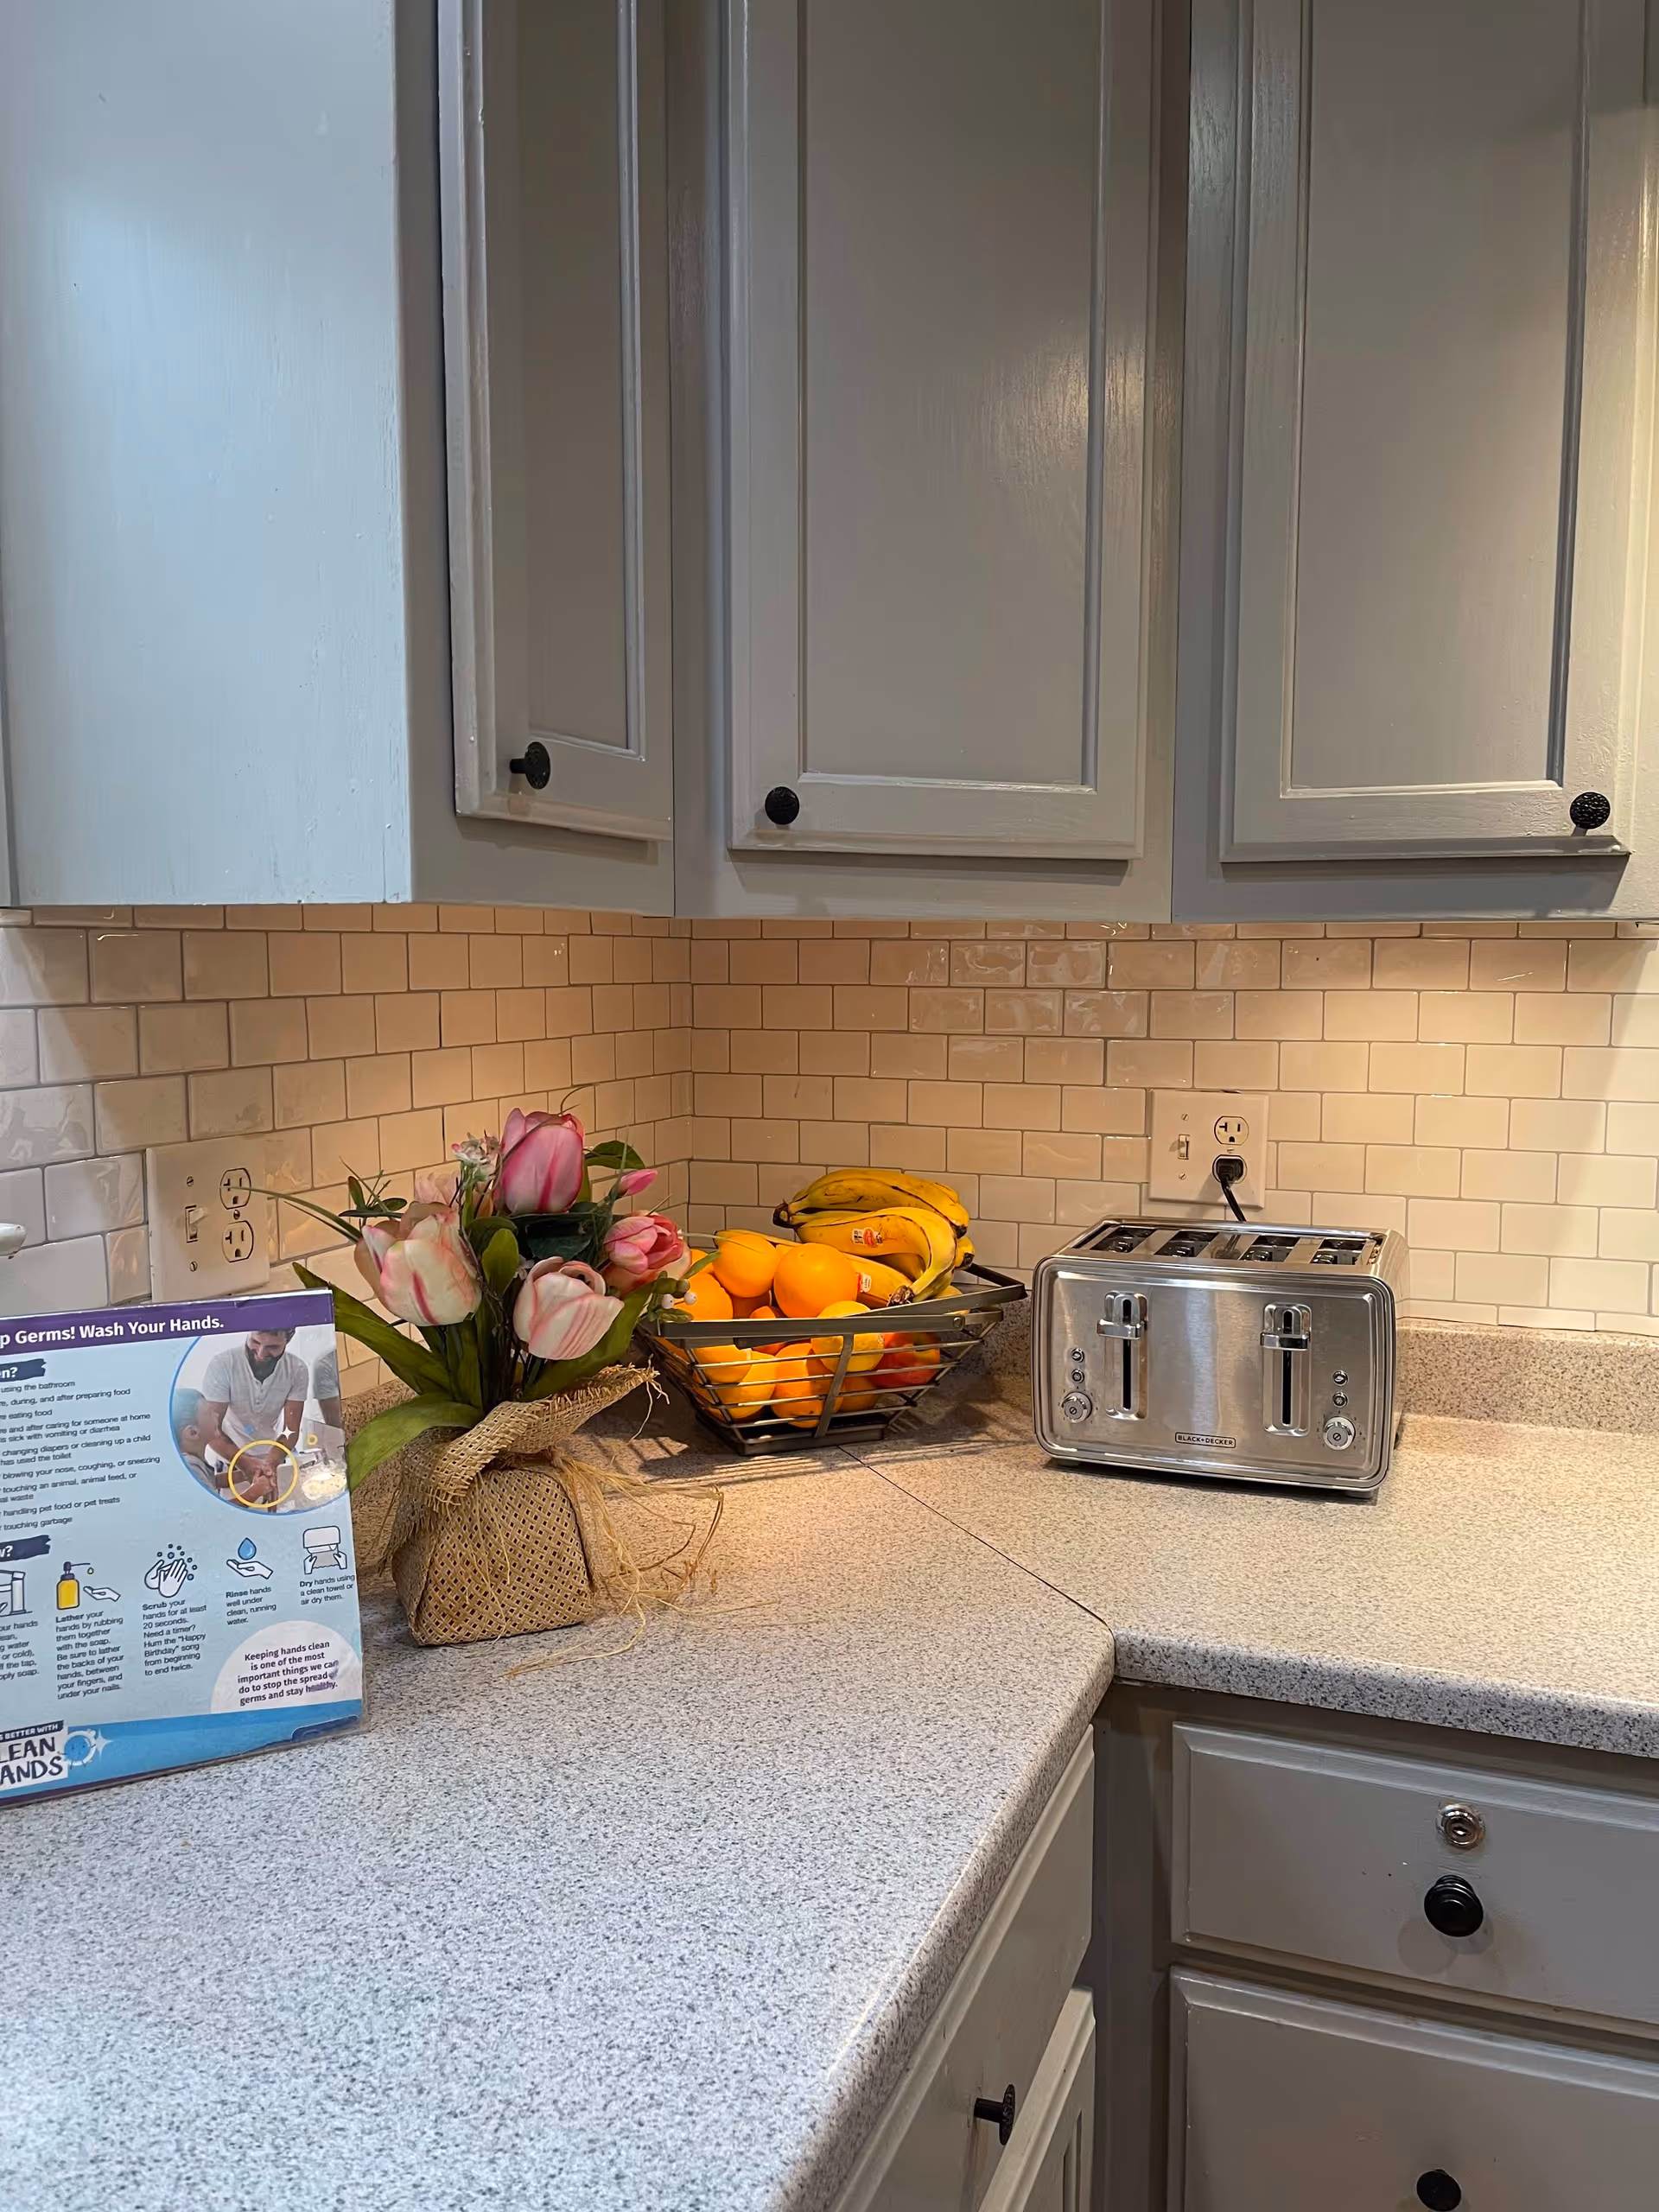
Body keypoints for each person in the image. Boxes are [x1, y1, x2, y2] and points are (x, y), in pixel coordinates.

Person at [196, 1328, 308, 1508]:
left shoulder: (297, 1370)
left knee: (279, 1515)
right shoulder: (223, 1364)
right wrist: (245, 1464)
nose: (261, 1353)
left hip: (274, 1454)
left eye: (272, 1347)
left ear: (288, 1340)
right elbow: (211, 1430)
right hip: (230, 1458)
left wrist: (270, 1465)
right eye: (255, 1342)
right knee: (238, 1518)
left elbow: (291, 1430)